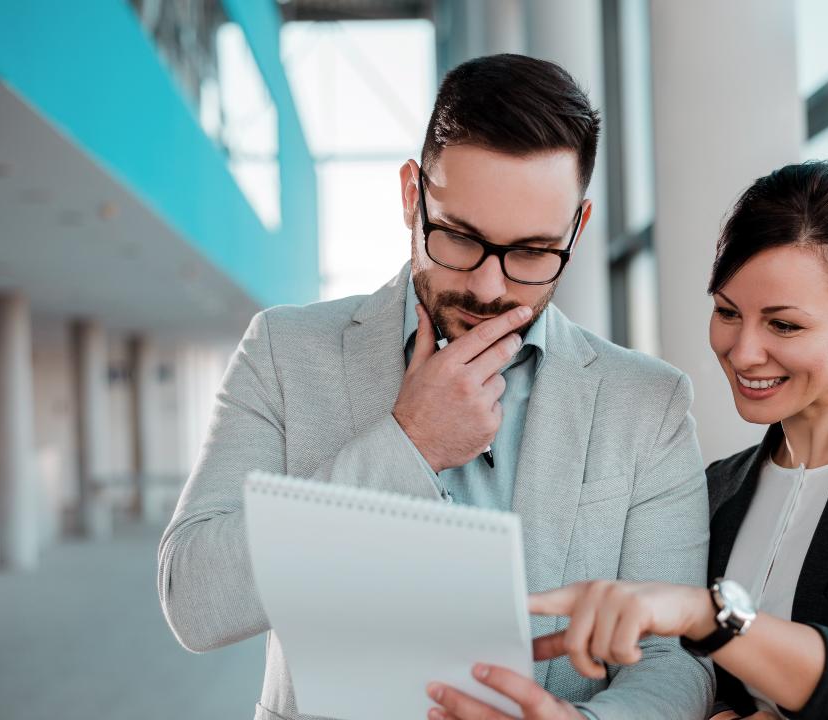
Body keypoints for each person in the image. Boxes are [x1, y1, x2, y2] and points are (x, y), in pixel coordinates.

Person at [156, 54, 713, 720]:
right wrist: (407, 446)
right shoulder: (284, 351)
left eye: (532, 252)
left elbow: (676, 660)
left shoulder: (647, 403)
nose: (488, 286)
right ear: (411, 197)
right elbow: (192, 601)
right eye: (459, 237)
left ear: (579, 229)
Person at [448, 161, 828, 720]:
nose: (743, 352)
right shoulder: (723, 488)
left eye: (784, 325)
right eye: (727, 312)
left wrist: (707, 614)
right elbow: (706, 681)